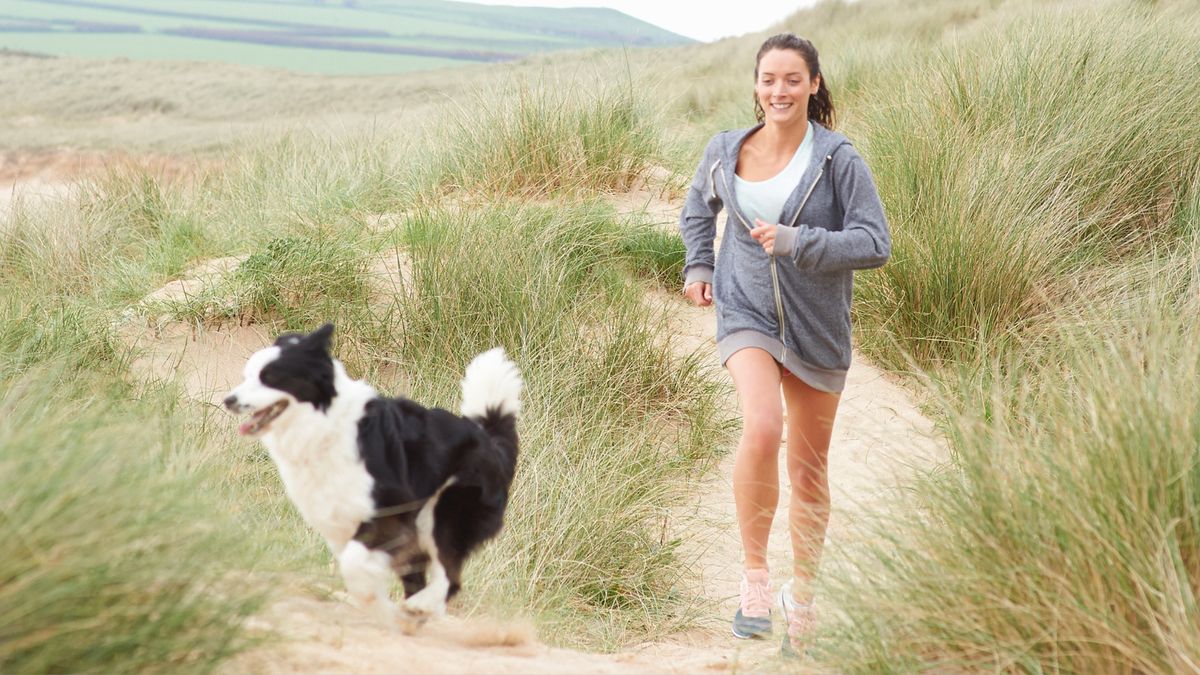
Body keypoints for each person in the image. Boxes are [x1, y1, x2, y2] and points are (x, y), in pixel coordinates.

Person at [678, 32, 890, 655]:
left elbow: (875, 242)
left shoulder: (838, 158)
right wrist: (699, 266)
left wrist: (802, 244)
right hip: (745, 313)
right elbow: (698, 209)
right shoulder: (725, 149)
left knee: (807, 468)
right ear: (755, 85)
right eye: (769, 79)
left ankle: (804, 595)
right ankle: (754, 580)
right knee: (762, 427)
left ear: (814, 85)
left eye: (792, 79)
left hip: (819, 328)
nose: (779, 91)